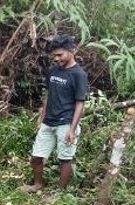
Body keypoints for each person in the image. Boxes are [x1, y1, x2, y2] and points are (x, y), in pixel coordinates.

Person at [24, 34, 88, 193]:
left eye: (60, 55)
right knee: (36, 157)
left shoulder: (78, 75)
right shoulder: (52, 71)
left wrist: (72, 129)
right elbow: (48, 95)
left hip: (66, 122)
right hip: (48, 121)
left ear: (71, 51)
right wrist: (41, 117)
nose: (57, 58)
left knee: (64, 159)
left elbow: (80, 103)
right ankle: (38, 184)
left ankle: (60, 192)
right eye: (54, 56)